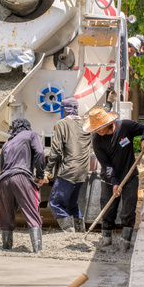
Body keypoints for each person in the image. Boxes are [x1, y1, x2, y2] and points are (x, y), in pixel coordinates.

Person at [83, 107, 144, 252]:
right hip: (109, 179)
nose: (97, 131)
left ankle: (125, 242)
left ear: (107, 123)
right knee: (108, 210)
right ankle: (106, 240)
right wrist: (114, 182)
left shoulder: (125, 127)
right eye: (95, 129)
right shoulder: (97, 141)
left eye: (100, 128)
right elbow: (106, 165)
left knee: (128, 210)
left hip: (129, 176)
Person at [0, 118, 46, 254]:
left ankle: (6, 247)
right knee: (31, 211)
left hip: (4, 180)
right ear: (27, 127)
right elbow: (40, 153)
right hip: (21, 176)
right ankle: (37, 250)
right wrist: (40, 175)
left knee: (6, 215)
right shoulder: (31, 134)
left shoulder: (7, 143)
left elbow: (1, 166)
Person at [45, 97, 92, 233]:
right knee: (71, 204)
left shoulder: (62, 124)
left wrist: (48, 169)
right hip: (83, 171)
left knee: (55, 202)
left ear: (64, 109)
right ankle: (79, 230)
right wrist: (109, 103)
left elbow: (56, 150)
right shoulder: (85, 123)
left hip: (69, 170)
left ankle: (69, 229)